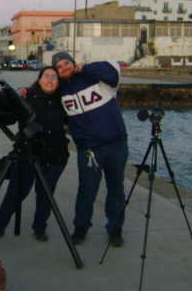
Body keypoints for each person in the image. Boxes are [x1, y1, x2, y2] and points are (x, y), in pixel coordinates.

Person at [0, 67, 69, 242]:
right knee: (14, 195)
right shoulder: (26, 97)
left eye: (54, 77)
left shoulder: (63, 100)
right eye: (46, 76)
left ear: (58, 82)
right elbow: (8, 118)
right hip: (27, 155)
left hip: (55, 157)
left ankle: (40, 228)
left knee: (45, 195)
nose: (50, 80)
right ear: (39, 80)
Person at [51, 52, 128, 247]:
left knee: (116, 189)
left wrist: (84, 68)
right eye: (59, 66)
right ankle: (80, 229)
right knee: (86, 191)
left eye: (66, 63)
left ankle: (115, 230)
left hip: (116, 145)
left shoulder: (93, 75)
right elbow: (43, 93)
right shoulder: (60, 91)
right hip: (89, 150)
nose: (64, 67)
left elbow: (113, 71)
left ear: (73, 63)